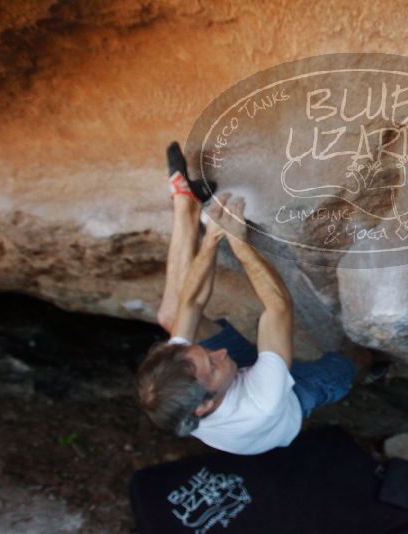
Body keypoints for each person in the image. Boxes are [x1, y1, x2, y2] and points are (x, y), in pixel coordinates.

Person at [135, 142, 378, 455]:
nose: (220, 351)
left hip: (236, 382)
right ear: (204, 406)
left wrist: (210, 241)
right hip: (293, 399)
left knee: (173, 317)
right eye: (212, 362)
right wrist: (239, 242)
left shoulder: (178, 373)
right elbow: (277, 307)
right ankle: (370, 366)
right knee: (346, 368)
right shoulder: (261, 404)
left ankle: (185, 201)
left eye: (204, 353)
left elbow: (192, 303)